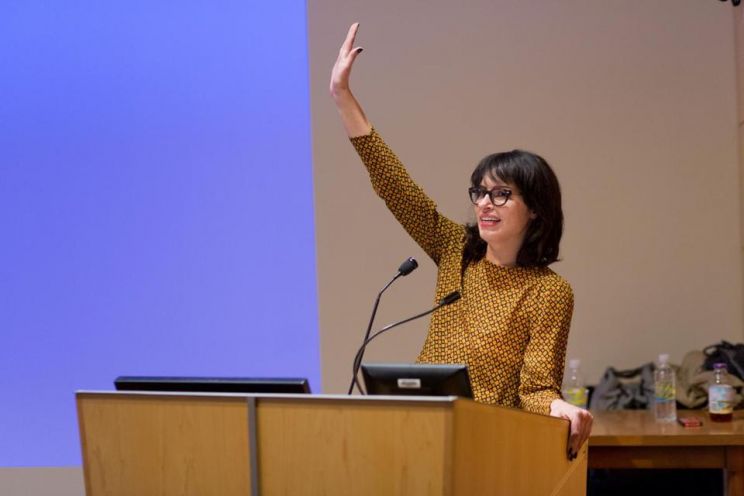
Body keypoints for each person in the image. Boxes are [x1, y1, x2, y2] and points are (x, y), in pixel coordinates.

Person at [330, 23, 592, 460]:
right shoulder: (457, 251)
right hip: (418, 436)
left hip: (486, 451)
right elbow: (396, 186)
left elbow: (536, 387)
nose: (485, 204)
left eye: (502, 194)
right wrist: (342, 96)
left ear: (536, 209)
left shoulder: (549, 293)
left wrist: (559, 406)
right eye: (480, 192)